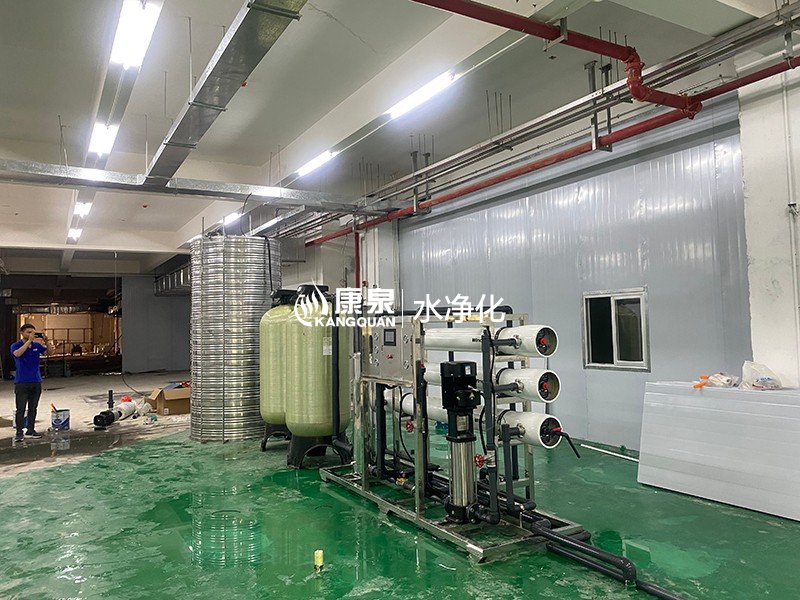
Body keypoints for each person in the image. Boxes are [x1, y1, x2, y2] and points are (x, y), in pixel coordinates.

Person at [10, 324, 50, 442]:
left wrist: (47, 342)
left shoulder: (37, 346)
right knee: (20, 409)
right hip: (22, 382)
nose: (31, 334)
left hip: (36, 381)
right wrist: (28, 342)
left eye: (33, 332)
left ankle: (31, 430)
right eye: (28, 332)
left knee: (33, 407)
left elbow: (50, 352)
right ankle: (19, 432)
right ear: (22, 333)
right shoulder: (16, 345)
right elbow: (17, 354)